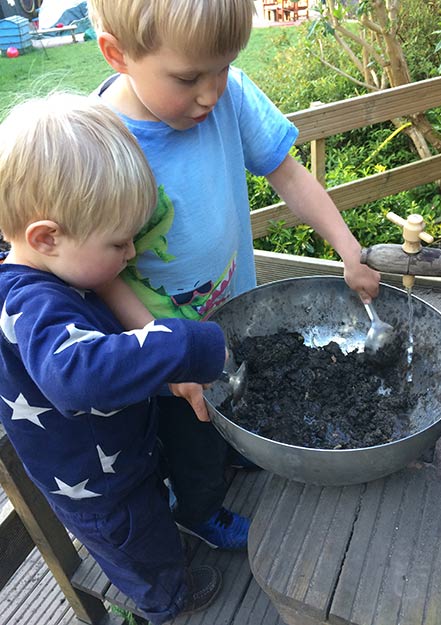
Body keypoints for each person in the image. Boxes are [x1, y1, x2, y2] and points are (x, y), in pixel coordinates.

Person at [86, 0, 380, 551]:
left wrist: (347, 248)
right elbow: (105, 275)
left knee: (240, 390)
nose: (210, 93)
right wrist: (164, 354)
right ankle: (200, 512)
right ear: (117, 54)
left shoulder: (230, 96)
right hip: (165, 341)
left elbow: (288, 174)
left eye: (222, 67)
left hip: (234, 313)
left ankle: (239, 449)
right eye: (188, 77)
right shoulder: (98, 142)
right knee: (192, 439)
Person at [0, 93, 230, 624]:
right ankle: (166, 601)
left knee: (150, 519)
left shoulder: (53, 270)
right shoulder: (30, 303)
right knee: (142, 551)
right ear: (47, 237)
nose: (130, 256)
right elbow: (75, 375)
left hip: (120, 455)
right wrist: (186, 344)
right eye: (119, 243)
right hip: (98, 490)